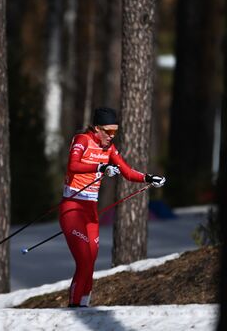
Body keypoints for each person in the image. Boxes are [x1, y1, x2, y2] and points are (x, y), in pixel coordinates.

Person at [58, 106, 166, 307]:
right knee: (83, 260)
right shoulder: (82, 140)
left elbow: (126, 171)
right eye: (108, 131)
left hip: (90, 210)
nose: (111, 136)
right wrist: (100, 167)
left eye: (115, 131)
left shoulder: (110, 148)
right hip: (72, 208)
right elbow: (73, 165)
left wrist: (148, 178)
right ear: (96, 128)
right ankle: (73, 310)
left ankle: (83, 307)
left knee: (90, 263)